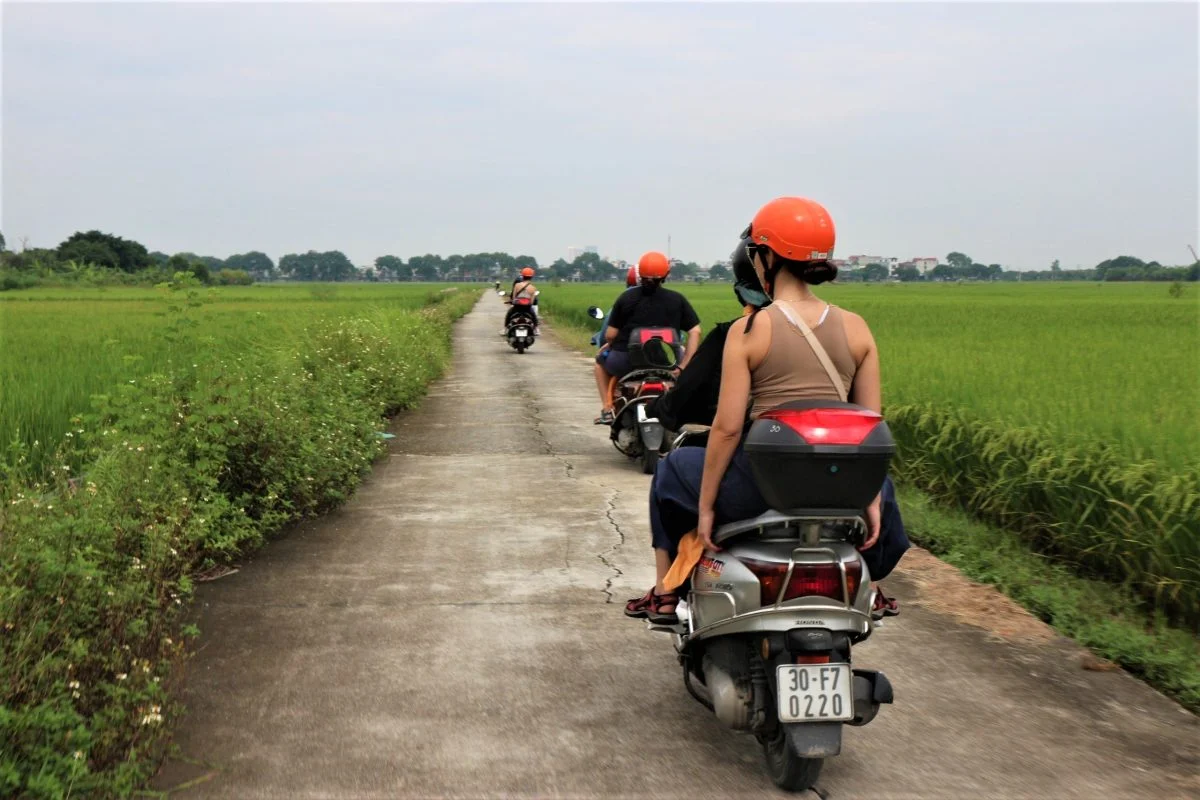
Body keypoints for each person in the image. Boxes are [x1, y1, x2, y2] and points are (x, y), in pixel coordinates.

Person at [625, 197, 909, 624]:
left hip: (760, 486)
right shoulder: (857, 328)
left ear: (768, 256)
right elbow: (869, 430)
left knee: (671, 469)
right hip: (843, 488)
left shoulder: (750, 330)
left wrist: (705, 510)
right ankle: (871, 587)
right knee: (886, 498)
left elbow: (726, 430)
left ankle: (666, 592)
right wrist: (869, 497)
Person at [593, 252, 702, 425]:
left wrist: (609, 345)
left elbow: (610, 335)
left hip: (625, 361)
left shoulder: (626, 297)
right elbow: (695, 331)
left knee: (600, 363)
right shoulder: (677, 299)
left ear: (640, 274)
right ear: (665, 275)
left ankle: (607, 408)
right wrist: (682, 366)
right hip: (665, 362)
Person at [590, 265, 640, 348]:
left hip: (624, 351)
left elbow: (607, 337)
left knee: (600, 357)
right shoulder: (661, 299)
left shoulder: (625, 299)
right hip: (653, 352)